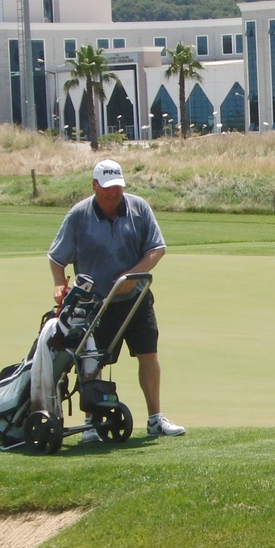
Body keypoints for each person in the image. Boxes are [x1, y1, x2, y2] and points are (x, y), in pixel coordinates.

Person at [48, 159, 186, 437]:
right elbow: (56, 257)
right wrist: (59, 284)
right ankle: (91, 423)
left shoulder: (139, 208)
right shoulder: (79, 215)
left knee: (148, 354)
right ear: (94, 185)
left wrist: (132, 276)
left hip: (136, 299)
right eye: (107, 187)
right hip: (95, 303)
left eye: (118, 187)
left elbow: (156, 249)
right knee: (93, 361)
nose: (113, 193)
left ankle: (155, 420)